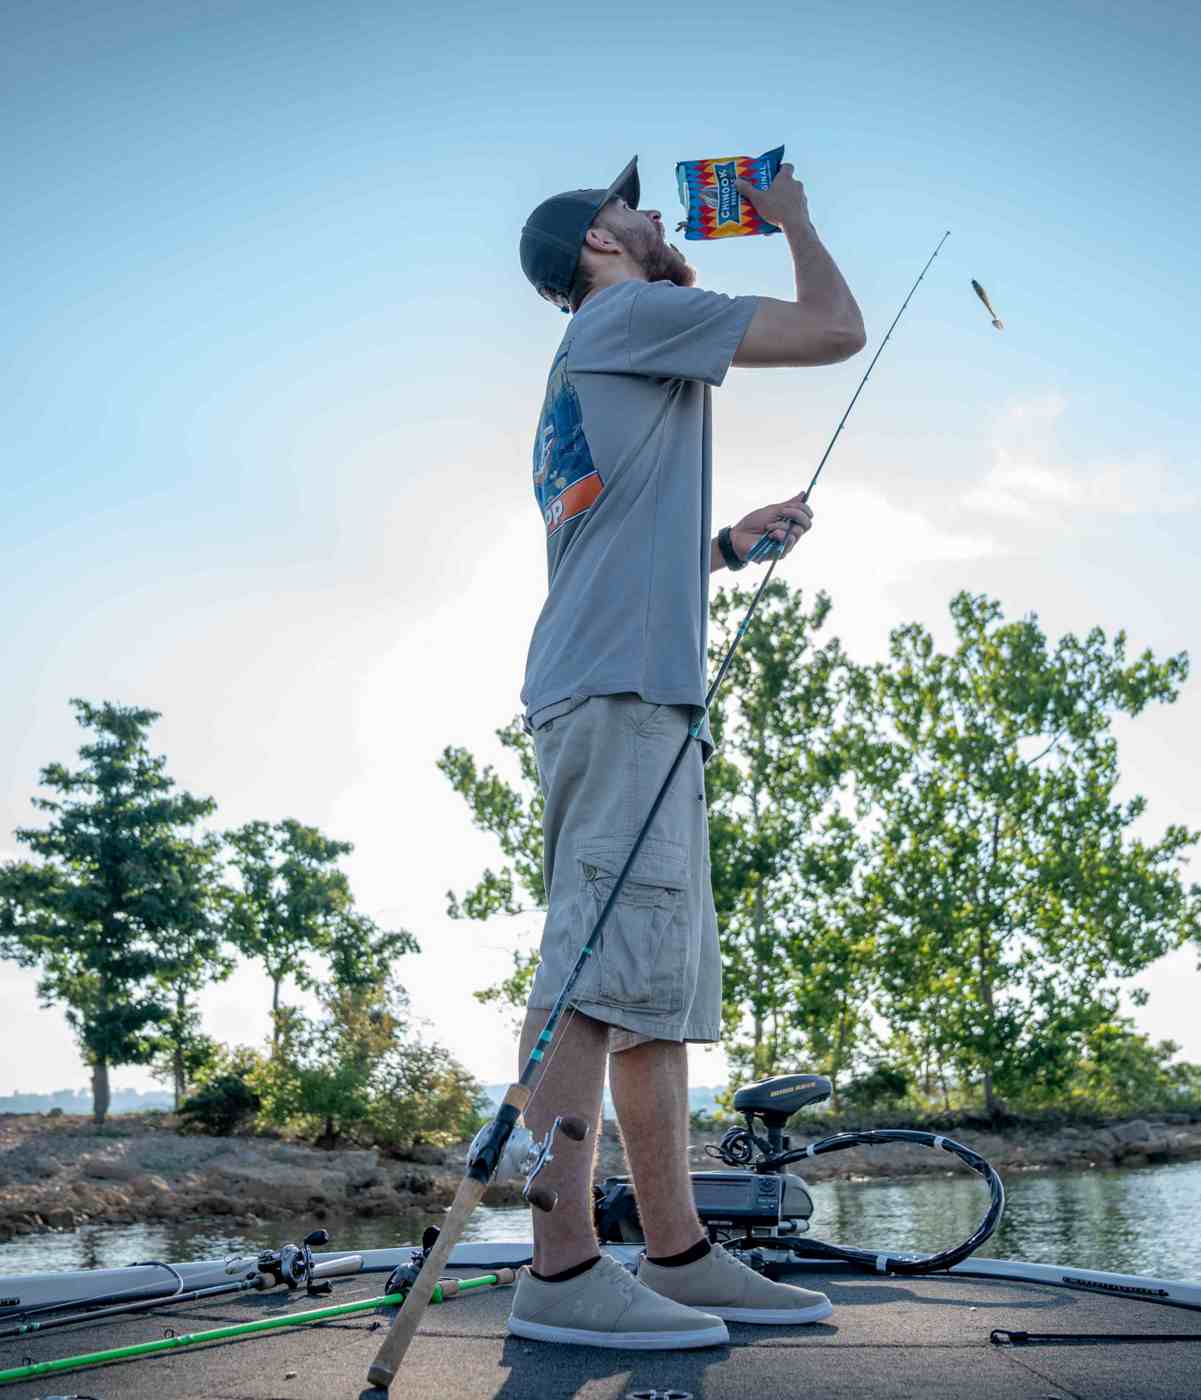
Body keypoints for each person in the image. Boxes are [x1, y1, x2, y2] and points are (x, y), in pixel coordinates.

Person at [506, 154, 865, 1350]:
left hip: (623, 687)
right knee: (590, 978)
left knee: (650, 995)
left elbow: (603, 545)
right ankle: (559, 1268)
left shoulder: (598, 353)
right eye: (632, 210)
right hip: (619, 694)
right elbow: (833, 330)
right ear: (598, 248)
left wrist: (717, 546)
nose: (660, 216)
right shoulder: (633, 312)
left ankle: (678, 1252)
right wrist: (793, 219)